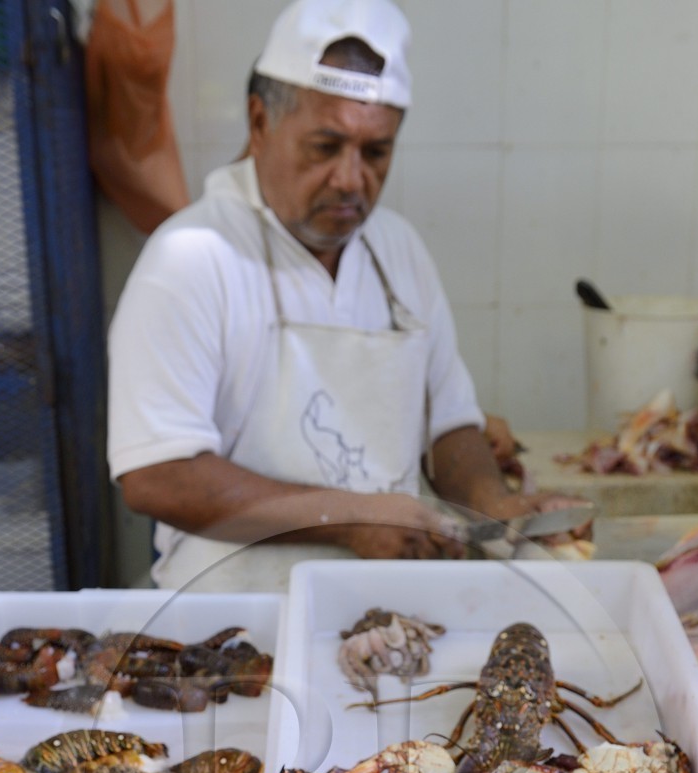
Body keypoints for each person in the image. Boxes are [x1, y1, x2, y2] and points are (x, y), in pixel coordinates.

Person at [108, 0, 558, 590]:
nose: (351, 180)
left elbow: (448, 423)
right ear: (261, 123)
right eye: (325, 147)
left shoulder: (398, 251)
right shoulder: (192, 258)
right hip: (233, 627)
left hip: (387, 619)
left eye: (375, 153)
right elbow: (156, 475)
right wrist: (348, 517)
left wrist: (489, 502)